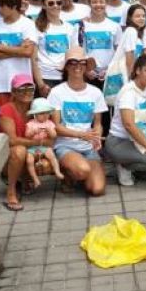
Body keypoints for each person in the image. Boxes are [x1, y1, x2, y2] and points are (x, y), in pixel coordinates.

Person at [47, 47, 108, 195]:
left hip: (88, 146)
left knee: (97, 190)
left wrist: (96, 137)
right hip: (65, 145)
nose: (78, 66)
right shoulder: (56, 92)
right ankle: (68, 173)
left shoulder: (95, 92)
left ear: (87, 66)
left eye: (82, 62)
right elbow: (56, 127)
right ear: (66, 67)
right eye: (73, 62)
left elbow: (98, 124)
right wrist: (82, 135)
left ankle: (79, 172)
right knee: (83, 170)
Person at [104, 54, 146, 185]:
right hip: (119, 141)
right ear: (138, 71)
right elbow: (129, 125)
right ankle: (123, 166)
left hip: (139, 138)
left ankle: (132, 167)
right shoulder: (128, 92)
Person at [0, 0, 39, 125]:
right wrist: (17, 49)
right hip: (0, 84)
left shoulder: (27, 24)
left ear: (14, 5)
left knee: (23, 124)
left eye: (2, 6)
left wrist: (1, 47)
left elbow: (28, 52)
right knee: (0, 125)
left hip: (23, 85)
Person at [0, 74, 39, 211]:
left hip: (30, 152)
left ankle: (26, 180)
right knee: (19, 149)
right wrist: (39, 143)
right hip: (8, 156)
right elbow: (12, 140)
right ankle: (11, 191)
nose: (27, 92)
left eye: (30, 88)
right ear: (13, 92)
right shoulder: (6, 109)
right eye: (21, 89)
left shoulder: (37, 108)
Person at [33, 0, 79, 97]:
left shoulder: (70, 28)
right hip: (45, 78)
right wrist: (40, 84)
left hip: (65, 78)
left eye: (58, 3)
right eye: (51, 3)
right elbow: (33, 59)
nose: (55, 6)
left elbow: (73, 54)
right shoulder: (37, 27)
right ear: (44, 6)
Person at [80, 0, 122, 88]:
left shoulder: (115, 26)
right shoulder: (81, 26)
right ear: (89, 4)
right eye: (94, 2)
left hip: (109, 75)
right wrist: (86, 70)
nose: (98, 5)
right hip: (88, 76)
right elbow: (78, 51)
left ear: (106, 3)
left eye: (101, 2)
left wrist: (109, 70)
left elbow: (118, 52)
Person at [23, 96, 64, 188]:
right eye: (41, 113)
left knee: (51, 156)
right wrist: (32, 132)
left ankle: (57, 171)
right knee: (29, 160)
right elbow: (27, 135)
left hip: (44, 147)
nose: (45, 115)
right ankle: (35, 178)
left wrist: (50, 131)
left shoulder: (50, 123)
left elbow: (54, 136)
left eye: (47, 113)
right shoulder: (30, 124)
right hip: (32, 148)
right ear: (35, 114)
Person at [113, 3, 146, 76]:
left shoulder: (139, 34)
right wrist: (131, 76)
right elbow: (129, 55)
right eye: (137, 16)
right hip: (121, 74)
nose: (141, 18)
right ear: (130, 18)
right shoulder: (131, 31)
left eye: (143, 16)